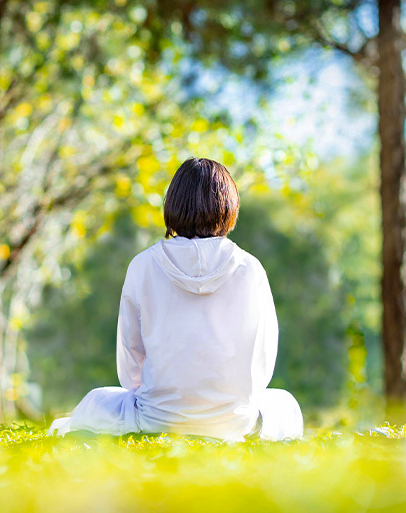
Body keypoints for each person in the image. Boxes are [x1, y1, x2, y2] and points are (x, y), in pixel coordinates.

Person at [49, 157, 303, 441]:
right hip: (233, 420)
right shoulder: (250, 268)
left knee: (97, 400)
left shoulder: (143, 265)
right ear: (229, 206)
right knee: (285, 404)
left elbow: (130, 365)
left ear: (173, 204)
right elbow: (263, 361)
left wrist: (161, 394)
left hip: (157, 417)